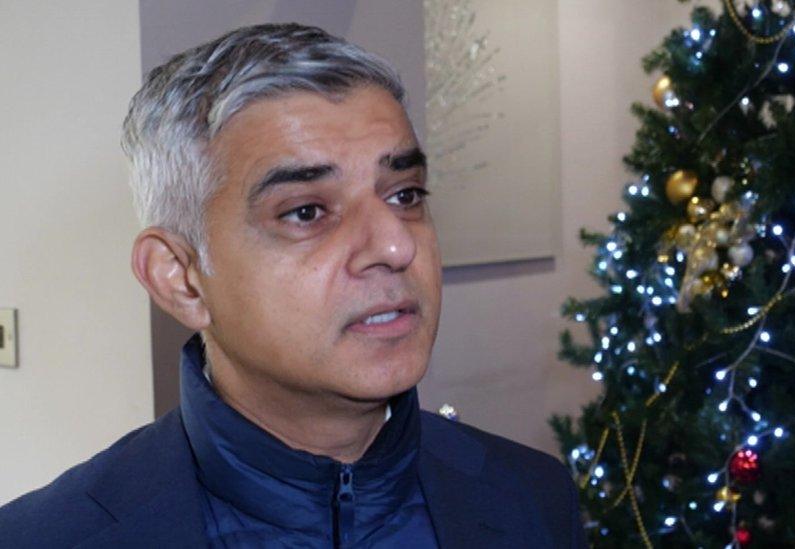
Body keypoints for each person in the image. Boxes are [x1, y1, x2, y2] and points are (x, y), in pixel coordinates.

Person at [0, 23, 584, 548]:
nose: (395, 246)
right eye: (306, 212)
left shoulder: (533, 494)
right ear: (181, 280)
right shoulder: (44, 536)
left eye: (405, 195)